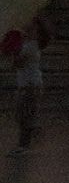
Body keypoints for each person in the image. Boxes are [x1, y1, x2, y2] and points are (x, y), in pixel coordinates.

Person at [2, 18, 48, 157]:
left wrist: (10, 51)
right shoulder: (27, 45)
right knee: (22, 115)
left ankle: (24, 145)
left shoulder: (31, 46)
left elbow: (18, 63)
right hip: (28, 86)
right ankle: (34, 130)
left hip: (30, 86)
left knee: (24, 116)